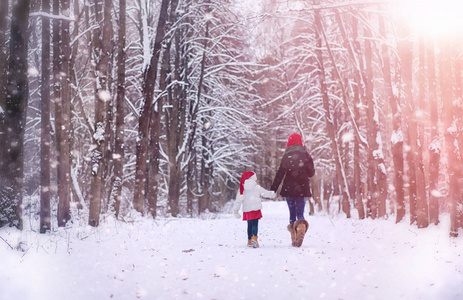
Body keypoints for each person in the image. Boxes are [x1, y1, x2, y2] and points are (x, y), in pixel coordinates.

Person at [271, 133, 315, 247]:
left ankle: (294, 238)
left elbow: (280, 174)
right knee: (300, 213)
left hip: (289, 188)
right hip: (302, 187)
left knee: (292, 214)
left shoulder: (287, 155)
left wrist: (273, 189)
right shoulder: (306, 155)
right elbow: (311, 173)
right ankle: (301, 229)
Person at [233, 171, 276, 248]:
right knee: (255, 224)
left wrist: (236, 210)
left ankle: (249, 240)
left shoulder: (242, 188)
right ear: (253, 178)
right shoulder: (257, 187)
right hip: (255, 209)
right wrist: (272, 194)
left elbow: (238, 200)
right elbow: (265, 193)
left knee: (249, 224)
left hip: (247, 209)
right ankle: (254, 238)